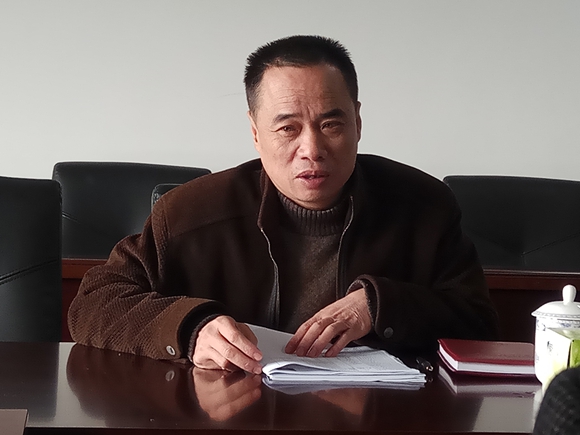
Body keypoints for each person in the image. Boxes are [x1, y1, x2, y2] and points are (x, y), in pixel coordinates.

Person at [68, 35, 498, 373]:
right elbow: (93, 303)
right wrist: (189, 328)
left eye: (331, 125)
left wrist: (379, 306)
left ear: (358, 121)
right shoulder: (189, 213)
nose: (312, 149)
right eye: (288, 128)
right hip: (231, 416)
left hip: (375, 417)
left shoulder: (424, 207)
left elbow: (479, 323)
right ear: (256, 133)